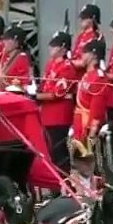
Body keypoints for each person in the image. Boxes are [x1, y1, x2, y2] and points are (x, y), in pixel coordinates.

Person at [36, 29, 78, 171]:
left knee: (59, 153)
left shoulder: (67, 67)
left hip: (59, 115)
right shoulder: (51, 64)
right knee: (50, 152)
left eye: (55, 45)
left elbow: (57, 94)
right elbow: (44, 86)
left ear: (63, 48)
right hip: (47, 115)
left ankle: (63, 185)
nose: (51, 48)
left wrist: (36, 96)